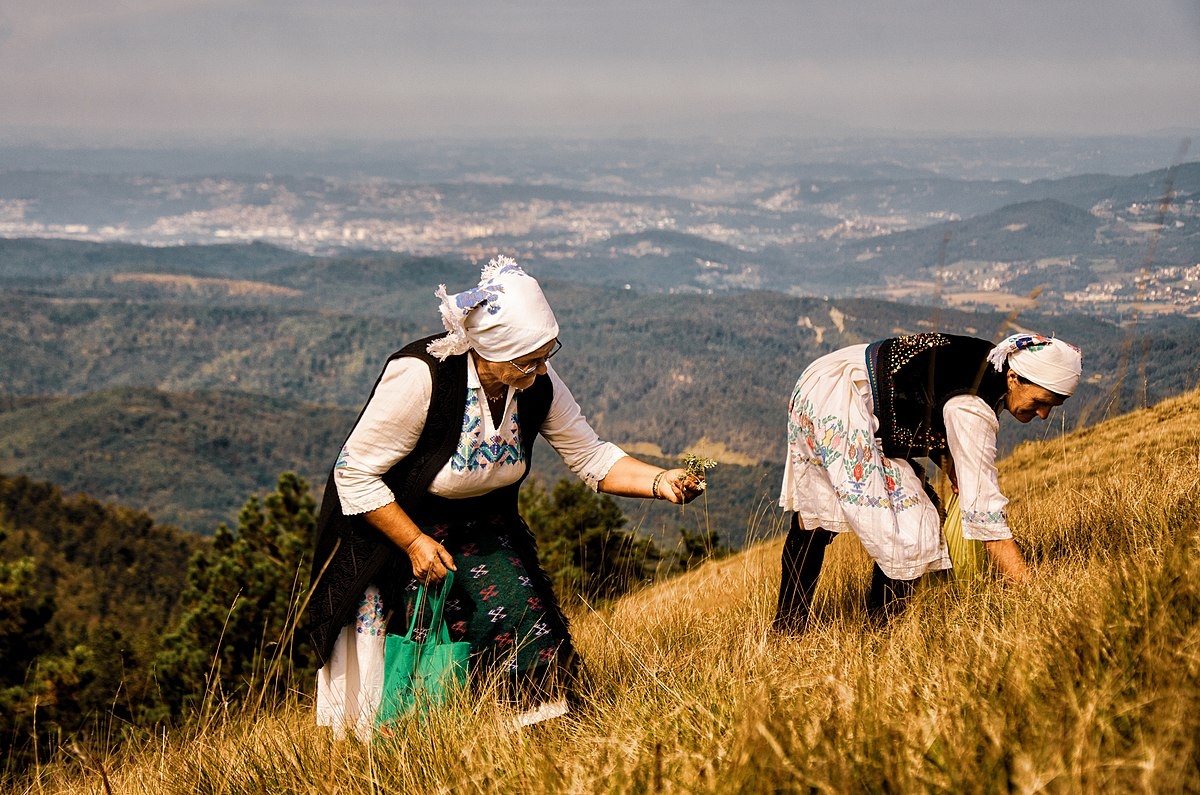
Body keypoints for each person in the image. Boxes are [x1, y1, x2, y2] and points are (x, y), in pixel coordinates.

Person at [307, 255, 704, 738]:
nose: (541, 369)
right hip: (397, 531)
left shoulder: (536, 382)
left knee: (525, 621)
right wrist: (413, 543)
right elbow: (353, 472)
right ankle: (410, 749)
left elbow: (591, 455)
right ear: (489, 350)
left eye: (546, 355)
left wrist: (661, 482)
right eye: (527, 361)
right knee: (415, 656)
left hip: (483, 530)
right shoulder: (422, 377)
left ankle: (531, 738)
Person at [773, 331, 1082, 632]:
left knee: (816, 518)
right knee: (915, 526)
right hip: (845, 399)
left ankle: (788, 626)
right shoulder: (972, 407)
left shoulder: (994, 363)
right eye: (1041, 401)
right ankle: (879, 633)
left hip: (826, 379)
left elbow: (926, 397)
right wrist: (1032, 593)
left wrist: (949, 463)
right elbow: (986, 516)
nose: (1044, 414)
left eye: (1053, 405)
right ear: (1014, 378)